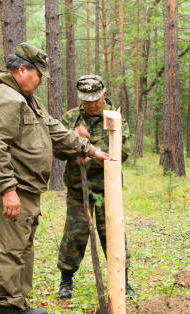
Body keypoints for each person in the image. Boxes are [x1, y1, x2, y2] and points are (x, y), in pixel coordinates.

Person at [0, 44, 110, 314]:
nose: (41, 81)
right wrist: (7, 189)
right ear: (22, 69)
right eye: (38, 74)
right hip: (8, 186)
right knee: (6, 247)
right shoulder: (3, 96)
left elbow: (54, 130)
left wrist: (90, 149)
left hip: (27, 186)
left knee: (22, 245)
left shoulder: (26, 99)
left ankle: (18, 303)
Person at [56, 75, 136, 299]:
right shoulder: (71, 118)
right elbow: (58, 149)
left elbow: (123, 153)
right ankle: (66, 281)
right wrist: (74, 138)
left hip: (107, 190)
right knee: (75, 234)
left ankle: (123, 281)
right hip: (78, 189)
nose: (91, 105)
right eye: (86, 100)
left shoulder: (114, 118)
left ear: (104, 95)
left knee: (113, 235)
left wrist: (87, 150)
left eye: (95, 99)